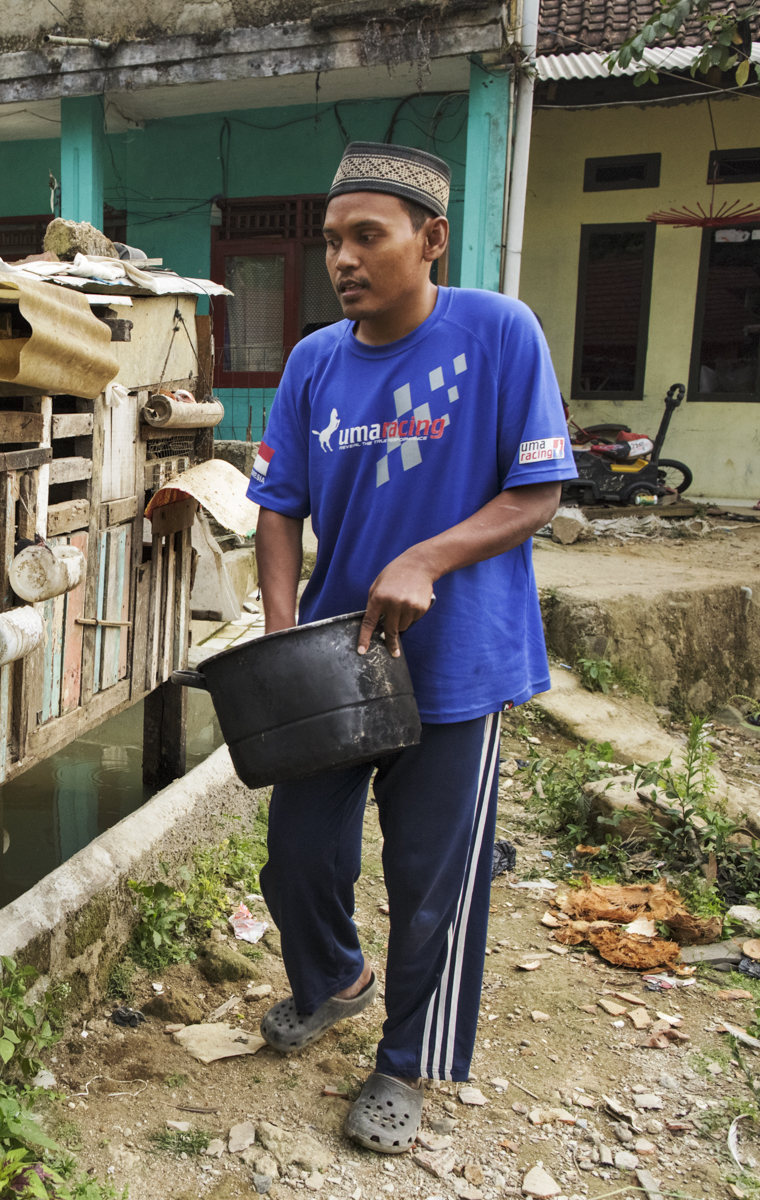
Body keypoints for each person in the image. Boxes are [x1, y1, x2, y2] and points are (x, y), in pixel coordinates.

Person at [243, 142, 577, 1153]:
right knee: (300, 852)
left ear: (430, 241)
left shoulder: (499, 332)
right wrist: (279, 622)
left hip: (458, 664)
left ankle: (408, 1065)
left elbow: (537, 491)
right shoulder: (313, 362)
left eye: (367, 236)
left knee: (434, 879)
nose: (343, 258)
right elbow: (276, 506)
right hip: (338, 661)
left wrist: (429, 557)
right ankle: (335, 980)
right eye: (334, 240)